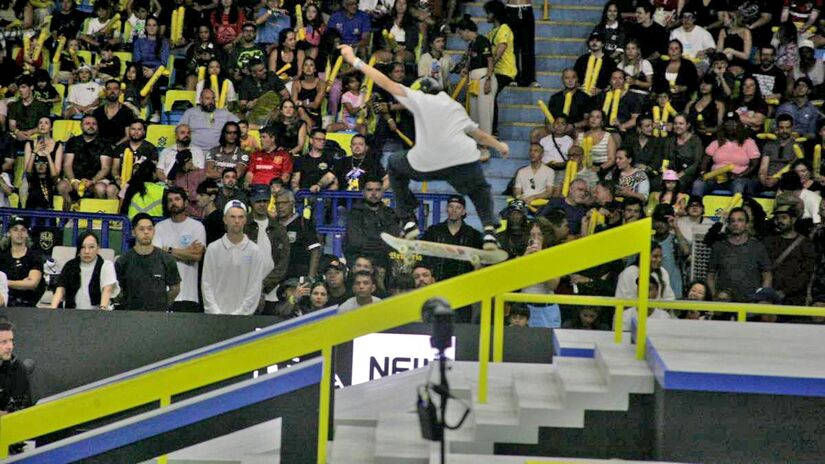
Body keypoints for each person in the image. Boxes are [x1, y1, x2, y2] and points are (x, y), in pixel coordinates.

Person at [338, 44, 509, 247]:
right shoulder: (456, 107)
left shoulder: (419, 97)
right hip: (461, 162)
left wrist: (355, 60)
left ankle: (409, 220)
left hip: (427, 162)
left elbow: (385, 82)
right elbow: (478, 134)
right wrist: (499, 145)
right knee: (480, 188)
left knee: (393, 163)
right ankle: (489, 231)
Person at [202, 200, 268, 315]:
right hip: (215, 318)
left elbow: (255, 288)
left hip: (244, 319)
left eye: (240, 217)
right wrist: (215, 313)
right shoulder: (213, 249)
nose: (237, 221)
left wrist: (241, 314)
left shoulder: (255, 251)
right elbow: (207, 284)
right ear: (225, 220)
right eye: (232, 217)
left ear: (245, 220)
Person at [153, 187, 207, 312]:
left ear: (186, 202)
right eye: (170, 200)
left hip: (189, 295)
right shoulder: (160, 227)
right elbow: (157, 255)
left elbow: (197, 256)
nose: (173, 203)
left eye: (177, 199)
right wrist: (186, 251)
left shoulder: (197, 227)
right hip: (165, 294)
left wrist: (169, 250)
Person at [116, 213, 181, 311]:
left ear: (154, 231)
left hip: (158, 317)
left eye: (150, 229)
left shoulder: (166, 259)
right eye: (141, 229)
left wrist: (162, 305)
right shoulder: (123, 260)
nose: (146, 232)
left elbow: (175, 288)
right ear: (133, 232)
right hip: (130, 316)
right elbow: (117, 290)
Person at [706, 207, 772, 302]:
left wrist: (761, 298)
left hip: (751, 303)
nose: (735, 224)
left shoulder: (758, 247)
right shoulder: (718, 247)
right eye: (732, 221)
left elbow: (767, 276)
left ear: (747, 224)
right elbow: (710, 276)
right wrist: (714, 297)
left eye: (740, 220)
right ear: (728, 224)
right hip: (724, 303)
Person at [245, 185, 291, 308]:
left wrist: (264, 285)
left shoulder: (279, 229)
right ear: (252, 201)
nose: (262, 204)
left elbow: (283, 262)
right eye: (258, 201)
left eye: (265, 201)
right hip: (244, 289)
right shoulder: (243, 226)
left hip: (272, 291)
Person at [421, 194, 484, 282]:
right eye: (451, 206)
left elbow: (481, 262)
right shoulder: (433, 231)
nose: (454, 210)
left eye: (458, 208)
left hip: (463, 285)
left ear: (464, 211)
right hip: (437, 284)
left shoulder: (474, 235)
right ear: (446, 209)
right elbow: (422, 256)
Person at [693, 113, 760, 196]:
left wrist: (739, 175)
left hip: (736, 178)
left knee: (739, 186)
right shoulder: (716, 142)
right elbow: (705, 161)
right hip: (715, 177)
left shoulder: (748, 142)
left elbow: (754, 164)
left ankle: (736, 208)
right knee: (698, 183)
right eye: (727, 123)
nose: (730, 126)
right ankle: (696, 206)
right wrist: (703, 173)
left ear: (739, 124)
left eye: (733, 123)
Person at [763, 204, 815, 306]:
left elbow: (807, 273)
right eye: (777, 218)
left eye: (784, 218)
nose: (779, 221)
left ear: (794, 220)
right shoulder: (767, 241)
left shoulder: (805, 244)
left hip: (795, 299)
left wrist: (785, 292)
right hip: (769, 297)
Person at [51, 232, 120, 310]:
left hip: (98, 313)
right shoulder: (70, 265)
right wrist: (52, 311)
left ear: (98, 248)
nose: (87, 251)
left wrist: (102, 310)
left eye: (91, 247)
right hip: (71, 312)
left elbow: (107, 290)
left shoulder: (106, 265)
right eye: (83, 247)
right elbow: (60, 290)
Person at [344, 177, 399, 270]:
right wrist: (381, 243)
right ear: (363, 192)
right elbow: (356, 243)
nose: (373, 193)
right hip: (360, 263)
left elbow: (393, 241)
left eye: (377, 190)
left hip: (385, 263)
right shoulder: (354, 214)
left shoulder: (390, 214)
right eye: (369, 190)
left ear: (382, 192)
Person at [59, 115, 116, 202]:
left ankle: (96, 214)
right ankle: (68, 213)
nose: (91, 126)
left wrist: (93, 181)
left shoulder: (105, 143)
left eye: (94, 124)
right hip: (75, 178)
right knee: (62, 186)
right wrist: (73, 181)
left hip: (97, 180)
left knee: (100, 189)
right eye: (87, 123)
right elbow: (67, 165)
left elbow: (105, 168)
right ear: (81, 126)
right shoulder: (72, 141)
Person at [272, 187, 322, 279]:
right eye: (277, 203)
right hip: (275, 276)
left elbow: (315, 250)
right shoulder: (271, 225)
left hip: (296, 277)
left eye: (284, 203)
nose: (280, 207)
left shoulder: (304, 223)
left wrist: (310, 277)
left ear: (292, 204)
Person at [521, 216, 562, 327]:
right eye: (532, 235)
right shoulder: (521, 255)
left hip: (547, 309)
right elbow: (511, 280)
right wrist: (524, 259)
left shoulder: (553, 256)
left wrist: (540, 259)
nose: (535, 238)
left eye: (539, 234)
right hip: (524, 309)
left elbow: (552, 285)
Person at [0, 216, 44, 308]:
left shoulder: (34, 256)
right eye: (15, 229)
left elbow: (32, 284)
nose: (19, 233)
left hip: (28, 307)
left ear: (27, 234)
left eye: (23, 230)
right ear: (9, 233)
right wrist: (22, 283)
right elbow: (26, 284)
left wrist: (4, 282)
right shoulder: (2, 256)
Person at [0, 320, 33, 422]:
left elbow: (22, 409)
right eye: (4, 342)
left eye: (11, 341)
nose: (10, 347)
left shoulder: (18, 369)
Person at [759, 114, 798, 191]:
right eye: (781, 128)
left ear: (792, 128)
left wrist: (777, 178)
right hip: (768, 179)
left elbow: (792, 167)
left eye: (787, 128)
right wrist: (763, 179)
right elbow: (763, 167)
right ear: (777, 128)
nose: (784, 131)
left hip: (786, 180)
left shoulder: (797, 146)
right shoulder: (769, 144)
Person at [92, 80, 134, 146]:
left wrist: (114, 146)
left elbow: (128, 136)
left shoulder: (127, 112)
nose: (112, 91)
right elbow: (94, 133)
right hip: (100, 148)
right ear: (105, 92)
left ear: (120, 92)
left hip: (120, 148)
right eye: (109, 89)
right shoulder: (98, 112)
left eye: (115, 89)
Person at [574, 31, 616, 97]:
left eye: (598, 41)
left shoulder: (609, 62)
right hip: (582, 95)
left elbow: (613, 81)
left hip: (601, 96)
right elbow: (575, 77)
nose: (594, 43)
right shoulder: (582, 59)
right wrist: (578, 87)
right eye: (592, 40)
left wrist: (601, 90)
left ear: (603, 44)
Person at [196, 179, 224, 244]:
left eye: (201, 195)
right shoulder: (212, 217)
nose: (197, 198)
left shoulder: (216, 220)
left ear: (212, 197)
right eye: (197, 194)